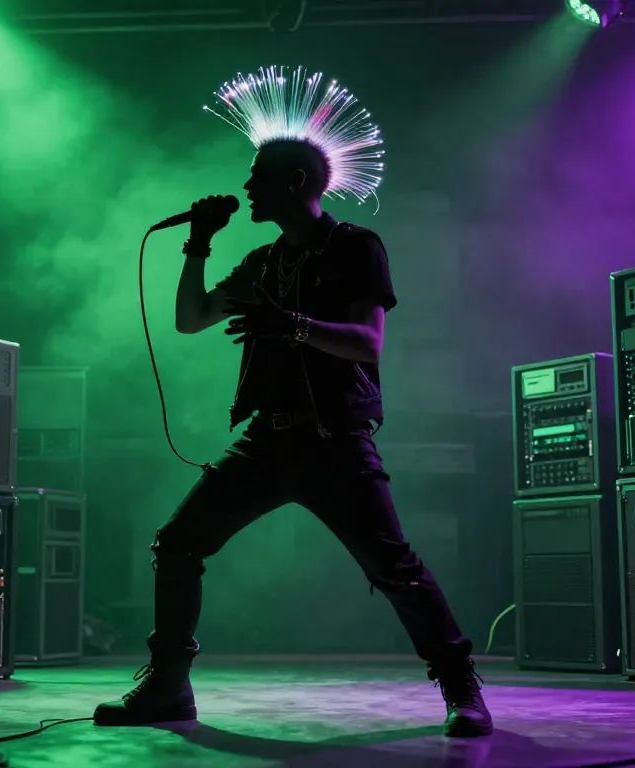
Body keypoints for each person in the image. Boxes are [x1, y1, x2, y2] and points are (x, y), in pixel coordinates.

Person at [92, 138, 493, 738]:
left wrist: (292, 325)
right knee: (177, 544)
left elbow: (368, 343)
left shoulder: (356, 246)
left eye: (258, 177)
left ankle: (462, 687)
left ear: (296, 181)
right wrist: (198, 242)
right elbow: (191, 318)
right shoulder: (262, 262)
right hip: (266, 441)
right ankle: (169, 686)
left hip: (334, 439)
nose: (247, 188)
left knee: (395, 568)